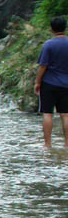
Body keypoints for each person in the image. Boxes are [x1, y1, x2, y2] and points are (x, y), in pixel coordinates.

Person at [34, 16, 68, 147]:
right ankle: (67, 144)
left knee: (47, 113)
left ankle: (47, 144)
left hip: (49, 83)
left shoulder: (48, 44)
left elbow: (43, 65)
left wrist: (37, 82)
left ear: (51, 29)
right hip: (66, 84)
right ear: (65, 28)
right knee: (65, 114)